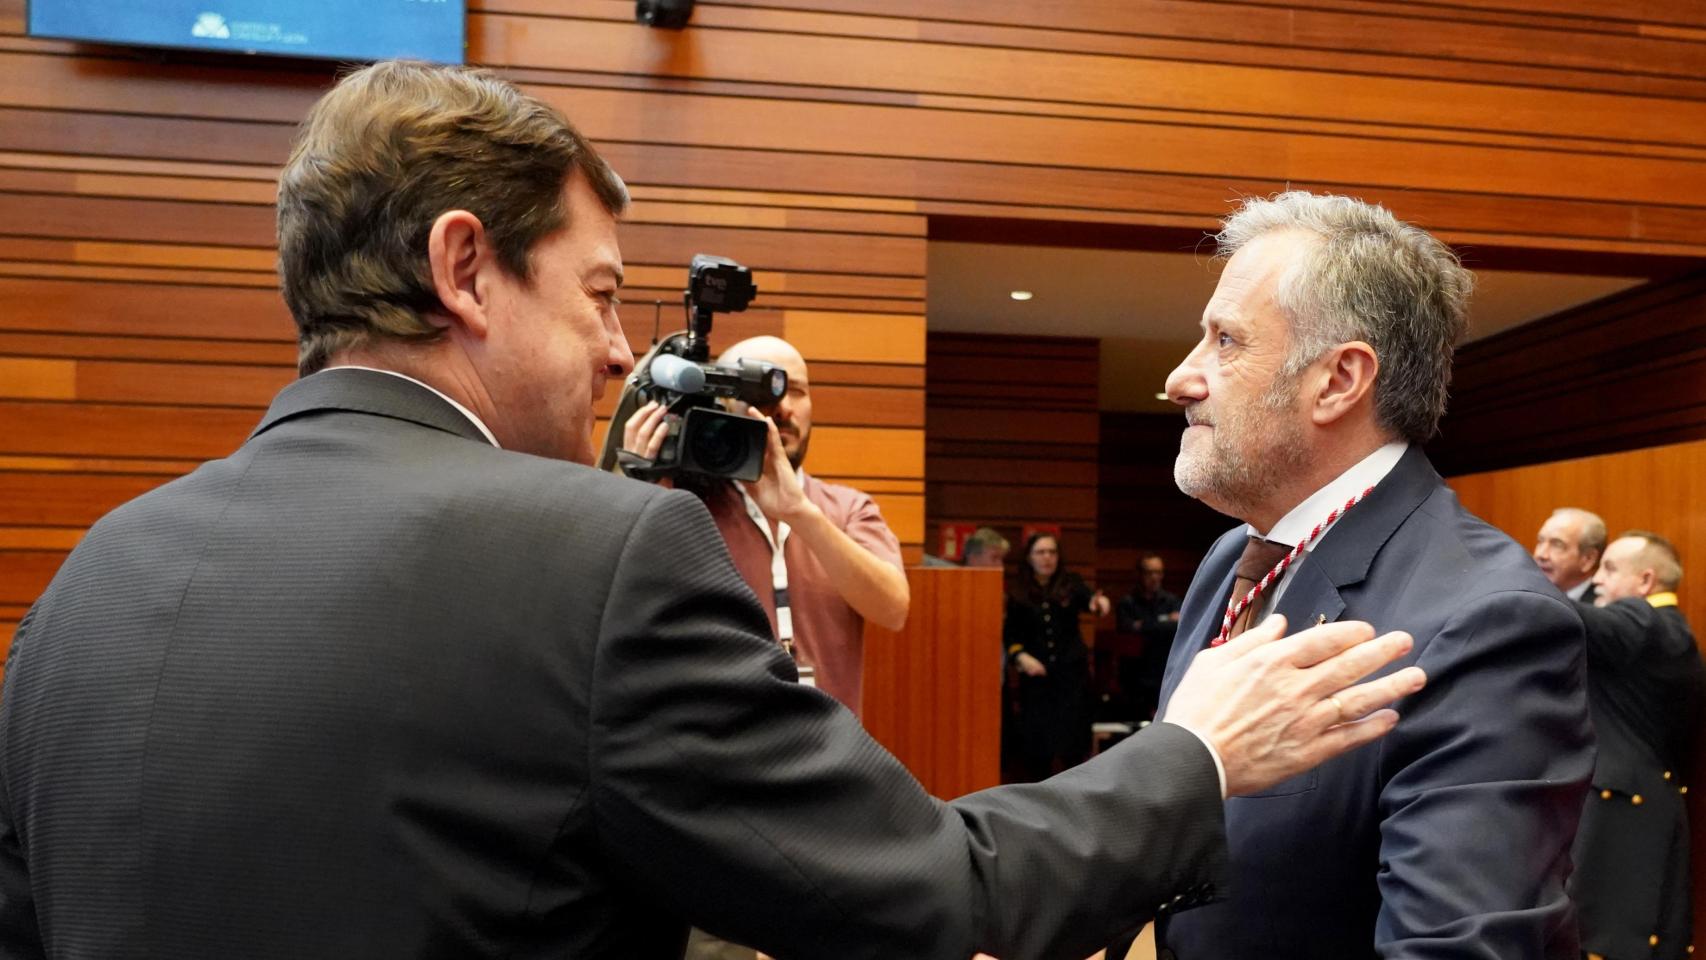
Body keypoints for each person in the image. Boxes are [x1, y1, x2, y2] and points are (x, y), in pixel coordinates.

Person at [0, 64, 1428, 959]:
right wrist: (1189, 754)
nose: (628, 356)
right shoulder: (592, 553)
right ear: (463, 269)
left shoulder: (94, 577)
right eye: (602, 293)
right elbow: (931, 896)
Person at [1151, 192, 1594, 959]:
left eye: (1225, 341)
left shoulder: (1488, 620)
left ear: (1338, 380)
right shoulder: (1235, 558)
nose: (1180, 379)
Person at [623, 336, 907, 716]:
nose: (784, 407)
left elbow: (893, 609)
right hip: (717, 745)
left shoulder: (847, 508)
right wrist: (640, 488)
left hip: (829, 748)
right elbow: (632, 603)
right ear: (723, 404)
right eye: (763, 391)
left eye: (798, 391)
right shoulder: (686, 505)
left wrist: (799, 512)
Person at [1570, 532, 1704, 960]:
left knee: (1604, 939)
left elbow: (1567, 616)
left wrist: (1505, 574)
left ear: (1646, 581)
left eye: (1609, 569)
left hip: (1623, 821)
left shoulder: (1644, 624)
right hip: (1652, 809)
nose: (1597, 580)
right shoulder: (1673, 634)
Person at [1002, 533, 1111, 781]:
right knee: (1038, 748)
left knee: (1073, 743)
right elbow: (1011, 635)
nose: (1047, 557)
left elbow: (1091, 600)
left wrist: (1100, 603)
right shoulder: (1019, 591)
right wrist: (1021, 658)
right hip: (1037, 680)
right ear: (1030, 558)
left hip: (1071, 677)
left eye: (1052, 552)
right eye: (1041, 552)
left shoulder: (1070, 583)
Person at [1114, 552, 1183, 720]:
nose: (1154, 577)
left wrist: (1144, 624)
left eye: (1158, 572)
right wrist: (1165, 620)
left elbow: (1178, 627)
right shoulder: (1127, 603)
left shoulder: (1171, 600)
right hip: (1135, 673)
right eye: (1149, 572)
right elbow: (1127, 628)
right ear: (1139, 574)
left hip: (1164, 669)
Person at [1534, 506, 1607, 603]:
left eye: (1557, 545)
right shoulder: (1527, 594)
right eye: (1540, 541)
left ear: (1588, 559)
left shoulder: (1601, 607)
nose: (1541, 554)